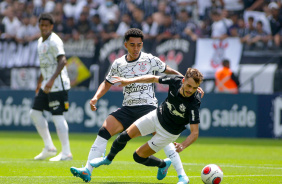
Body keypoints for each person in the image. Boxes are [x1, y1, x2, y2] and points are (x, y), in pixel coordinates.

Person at [70, 28, 203, 184]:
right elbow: (107, 83)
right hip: (128, 107)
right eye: (132, 45)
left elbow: (169, 70)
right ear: (126, 44)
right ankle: (87, 170)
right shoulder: (118, 63)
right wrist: (95, 97)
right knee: (104, 131)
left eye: (139, 45)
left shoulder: (149, 59)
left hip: (148, 106)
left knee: (164, 139)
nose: (136, 48)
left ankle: (182, 175)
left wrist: (189, 84)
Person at [90, 68, 203, 182]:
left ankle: (168, 168)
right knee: (124, 136)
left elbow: (195, 133)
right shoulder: (176, 81)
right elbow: (153, 78)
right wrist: (129, 81)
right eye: (189, 86)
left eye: (194, 88)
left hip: (168, 133)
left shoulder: (194, 102)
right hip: (156, 116)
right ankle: (108, 159)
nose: (190, 90)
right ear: (183, 80)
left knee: (138, 157)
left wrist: (183, 145)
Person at [29, 13, 72, 161]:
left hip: (57, 85)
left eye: (47, 25)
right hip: (47, 84)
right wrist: (40, 82)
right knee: (34, 113)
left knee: (57, 116)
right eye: (42, 25)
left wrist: (50, 81)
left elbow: (63, 61)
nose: (44, 28)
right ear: (39, 25)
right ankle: (49, 147)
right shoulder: (40, 41)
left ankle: (66, 152)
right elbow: (45, 64)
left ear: (51, 27)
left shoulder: (55, 41)